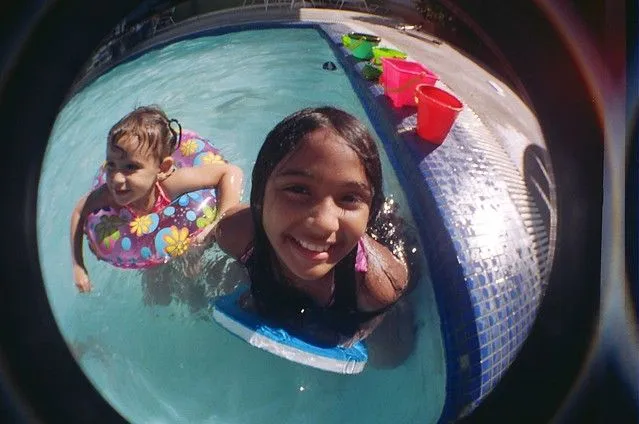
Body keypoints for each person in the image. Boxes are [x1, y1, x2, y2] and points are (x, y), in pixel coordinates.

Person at [215, 106, 410, 348]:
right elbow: (226, 217)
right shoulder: (236, 233)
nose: (324, 224)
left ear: (370, 211)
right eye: (298, 190)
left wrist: (353, 335)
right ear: (259, 197)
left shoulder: (376, 287)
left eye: (350, 197)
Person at [70, 106, 243, 293]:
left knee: (193, 277)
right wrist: (78, 266)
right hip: (145, 245)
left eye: (130, 167)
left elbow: (230, 172)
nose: (117, 178)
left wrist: (220, 221)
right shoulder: (109, 194)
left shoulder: (170, 183)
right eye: (111, 165)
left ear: (162, 168)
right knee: (156, 296)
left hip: (185, 234)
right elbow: (80, 210)